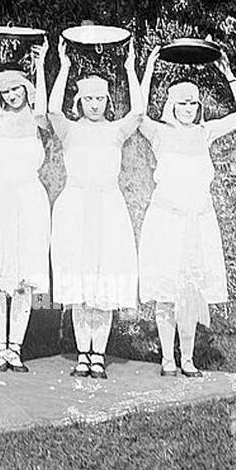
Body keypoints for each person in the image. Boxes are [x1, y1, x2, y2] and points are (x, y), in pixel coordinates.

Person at [137, 48, 236, 377]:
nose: (187, 109)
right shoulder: (158, 132)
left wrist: (228, 73)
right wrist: (150, 66)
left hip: (199, 222)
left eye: (192, 103)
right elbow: (137, 111)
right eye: (181, 103)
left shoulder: (206, 132)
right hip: (166, 221)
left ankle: (186, 358)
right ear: (171, 105)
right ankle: (167, 360)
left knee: (190, 292)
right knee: (166, 292)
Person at [48, 37, 143, 380]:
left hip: (107, 210)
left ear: (107, 100)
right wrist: (65, 66)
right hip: (74, 209)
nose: (94, 104)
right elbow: (52, 111)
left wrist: (130, 67)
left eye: (100, 98)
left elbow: (139, 112)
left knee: (102, 285)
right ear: (80, 100)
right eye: (88, 99)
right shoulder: (69, 130)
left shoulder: (116, 132)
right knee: (80, 286)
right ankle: (82, 354)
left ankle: (98, 355)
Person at [0, 39, 52, 373]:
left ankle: (15, 347)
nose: (10, 95)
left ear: (26, 89)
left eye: (16, 89)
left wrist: (43, 63)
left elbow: (45, 109)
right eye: (5, 91)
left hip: (29, 201)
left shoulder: (37, 119)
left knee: (22, 279)